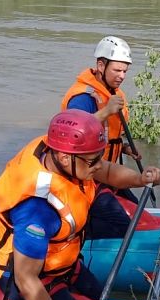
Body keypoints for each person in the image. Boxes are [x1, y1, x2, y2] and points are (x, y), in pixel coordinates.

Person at [0, 109, 160, 300]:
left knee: (98, 297)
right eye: (93, 161)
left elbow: (108, 171)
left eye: (98, 157)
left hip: (61, 262)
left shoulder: (71, 158)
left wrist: (139, 178)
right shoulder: (36, 209)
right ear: (65, 158)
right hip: (29, 275)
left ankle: (67, 293)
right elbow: (27, 278)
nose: (98, 165)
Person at [61, 36, 143, 238]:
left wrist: (123, 148)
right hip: (85, 175)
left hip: (106, 171)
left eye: (125, 71)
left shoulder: (112, 93)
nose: (122, 76)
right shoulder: (83, 97)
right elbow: (74, 133)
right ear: (101, 65)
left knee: (139, 211)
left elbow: (105, 135)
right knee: (123, 225)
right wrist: (107, 111)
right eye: (117, 70)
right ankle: (69, 233)